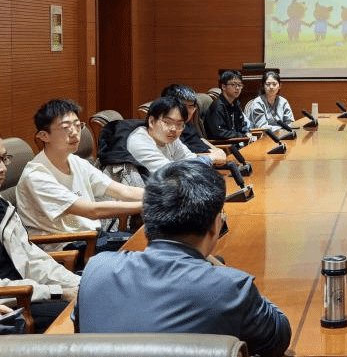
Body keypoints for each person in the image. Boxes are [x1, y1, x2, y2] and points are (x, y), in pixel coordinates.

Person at [74, 160, 292, 357]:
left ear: (147, 219)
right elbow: (278, 338)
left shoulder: (97, 269)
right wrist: (216, 265)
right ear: (215, 225)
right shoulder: (230, 287)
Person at [15, 99, 143, 251]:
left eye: (77, 125)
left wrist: (160, 195)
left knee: (151, 239)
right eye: (66, 127)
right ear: (44, 136)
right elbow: (91, 211)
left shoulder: (76, 161)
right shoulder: (36, 176)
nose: (75, 132)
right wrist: (147, 204)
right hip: (66, 247)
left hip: (92, 237)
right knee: (147, 248)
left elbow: (122, 191)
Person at [1, 139, 80, 333]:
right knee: (86, 313)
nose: (2, 168)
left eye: (4, 159)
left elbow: (31, 259)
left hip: (29, 293)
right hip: (13, 301)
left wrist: (78, 284)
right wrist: (58, 292)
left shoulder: (3, 206)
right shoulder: (36, 175)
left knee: (95, 296)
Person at [126, 97, 213, 175]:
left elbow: (190, 159)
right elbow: (168, 171)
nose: (173, 129)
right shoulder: (139, 141)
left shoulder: (170, 138)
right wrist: (210, 159)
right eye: (167, 122)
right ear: (151, 122)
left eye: (179, 124)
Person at [161, 84, 227, 166]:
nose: (187, 111)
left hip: (207, 161)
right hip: (198, 164)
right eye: (183, 106)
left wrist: (216, 149)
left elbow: (201, 139)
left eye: (191, 106)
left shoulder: (187, 124)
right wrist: (212, 157)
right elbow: (183, 159)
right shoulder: (170, 131)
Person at [205, 70, 252, 140]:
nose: (237, 88)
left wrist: (246, 132)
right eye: (233, 84)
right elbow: (219, 133)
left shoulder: (236, 103)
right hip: (224, 144)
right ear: (223, 86)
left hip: (237, 141)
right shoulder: (218, 107)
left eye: (239, 85)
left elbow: (242, 125)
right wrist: (241, 135)